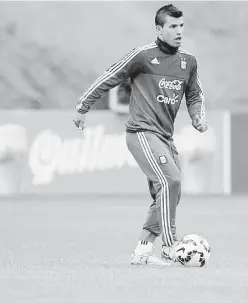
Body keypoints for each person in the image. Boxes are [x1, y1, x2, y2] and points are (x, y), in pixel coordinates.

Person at [73, 4, 208, 266]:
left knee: (170, 192)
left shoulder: (188, 62)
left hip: (165, 137)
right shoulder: (142, 56)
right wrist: (82, 105)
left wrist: (197, 116)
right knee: (171, 181)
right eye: (172, 26)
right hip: (142, 132)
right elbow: (110, 76)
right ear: (159, 29)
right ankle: (170, 246)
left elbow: (195, 94)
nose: (179, 31)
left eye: (181, 26)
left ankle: (143, 251)